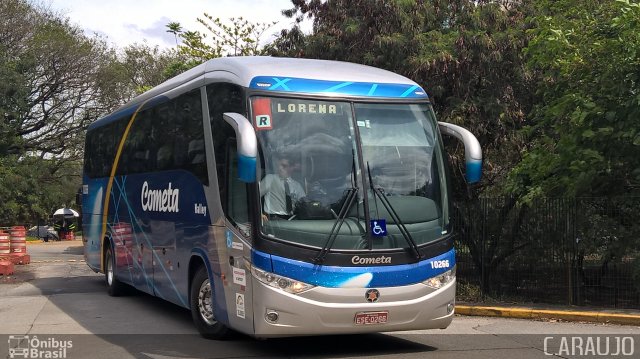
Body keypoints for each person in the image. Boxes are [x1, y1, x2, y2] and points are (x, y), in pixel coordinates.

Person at [260, 155, 305, 219]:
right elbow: (255, 197)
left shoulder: (297, 186)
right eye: (279, 165)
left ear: (291, 167)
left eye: (284, 166)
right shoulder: (270, 179)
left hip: (292, 220)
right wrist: (260, 214)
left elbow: (304, 204)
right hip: (273, 219)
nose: (280, 168)